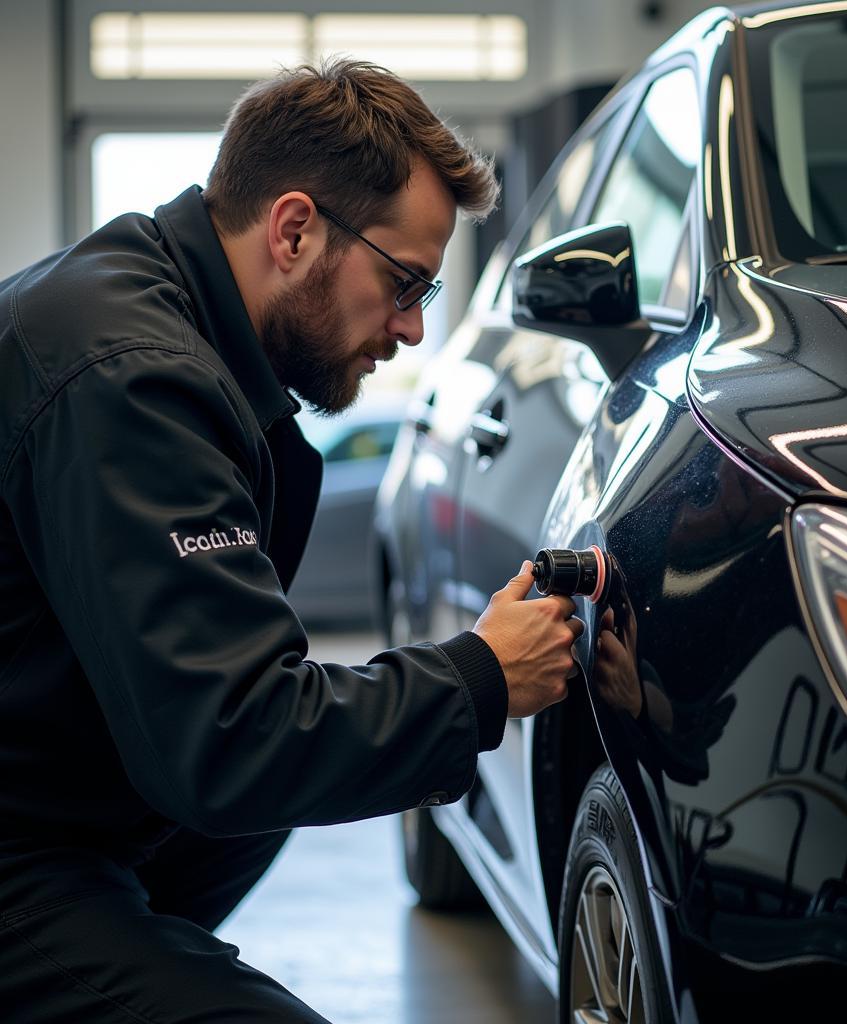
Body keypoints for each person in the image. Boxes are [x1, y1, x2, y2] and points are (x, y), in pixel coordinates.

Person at [0, 59, 582, 1022]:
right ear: (296, 228)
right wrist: (479, 676)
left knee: (265, 809)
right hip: (22, 848)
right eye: (404, 283)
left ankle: (125, 951)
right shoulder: (132, 380)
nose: (409, 331)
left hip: (49, 799)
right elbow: (234, 738)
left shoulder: (177, 325)